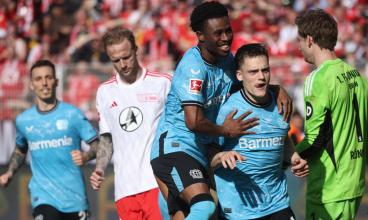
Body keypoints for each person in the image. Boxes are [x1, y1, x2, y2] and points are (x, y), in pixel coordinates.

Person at [150, 1, 292, 219]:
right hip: (176, 147)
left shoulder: (226, 59)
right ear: (201, 35)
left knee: (196, 213)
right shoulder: (193, 68)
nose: (226, 37)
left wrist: (276, 88)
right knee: (203, 207)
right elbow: (193, 121)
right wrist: (227, 131)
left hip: (201, 151)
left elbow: (246, 80)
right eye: (218, 33)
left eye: (228, 30)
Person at [294, 9, 368, 220]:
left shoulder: (317, 79)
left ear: (310, 40)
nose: (298, 46)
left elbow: (314, 141)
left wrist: (292, 156)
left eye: (300, 40)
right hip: (354, 187)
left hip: (327, 190)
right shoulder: (359, 78)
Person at [211, 43, 308, 220]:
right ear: (239, 75)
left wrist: (294, 158)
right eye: (253, 72)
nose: (261, 77)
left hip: (278, 203)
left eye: (265, 70)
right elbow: (206, 157)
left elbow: (282, 138)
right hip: (239, 210)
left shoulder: (283, 104)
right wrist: (221, 156)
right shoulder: (227, 110)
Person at [89, 27, 171, 219]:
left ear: (136, 50)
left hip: (157, 184)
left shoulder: (163, 84)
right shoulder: (104, 93)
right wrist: (100, 167)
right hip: (124, 190)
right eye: (115, 60)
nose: (122, 64)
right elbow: (107, 138)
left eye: (126, 57)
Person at [0, 59, 98, 220]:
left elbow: (98, 145)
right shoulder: (24, 120)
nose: (44, 83)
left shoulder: (72, 114)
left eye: (48, 77)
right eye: (38, 79)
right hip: (43, 197)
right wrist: (9, 173)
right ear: (31, 85)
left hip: (75, 199)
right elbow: (20, 149)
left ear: (56, 81)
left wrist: (86, 156)